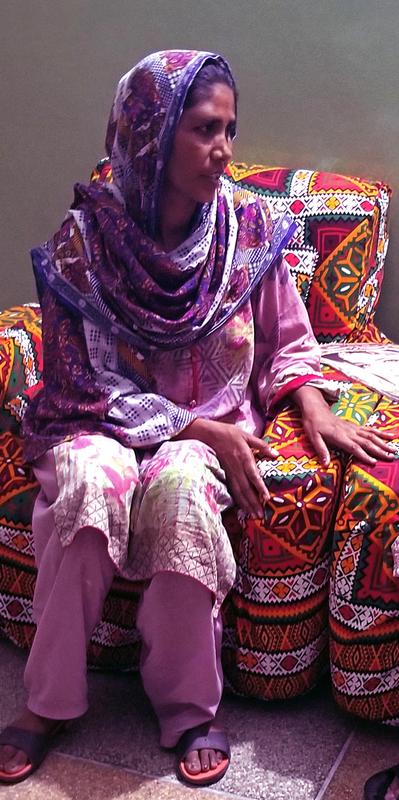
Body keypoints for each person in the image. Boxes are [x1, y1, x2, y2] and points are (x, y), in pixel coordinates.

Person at [0, 49, 395, 788]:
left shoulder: (247, 228)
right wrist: (198, 428)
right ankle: (48, 702)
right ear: (150, 132)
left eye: (231, 131)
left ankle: (186, 708)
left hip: (211, 424)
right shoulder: (84, 242)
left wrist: (312, 404)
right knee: (91, 486)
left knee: (183, 494)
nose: (224, 152)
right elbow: (80, 380)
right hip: (99, 423)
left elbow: (290, 342)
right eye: (205, 129)